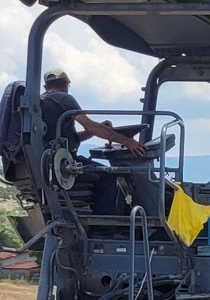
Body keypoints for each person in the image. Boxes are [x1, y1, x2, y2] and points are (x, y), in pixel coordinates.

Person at [39, 69, 148, 215]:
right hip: (64, 164)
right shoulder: (64, 99)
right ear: (66, 84)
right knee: (109, 176)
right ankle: (104, 226)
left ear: (45, 86)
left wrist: (98, 129)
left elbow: (76, 137)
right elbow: (90, 125)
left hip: (52, 162)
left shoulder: (43, 101)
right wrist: (128, 141)